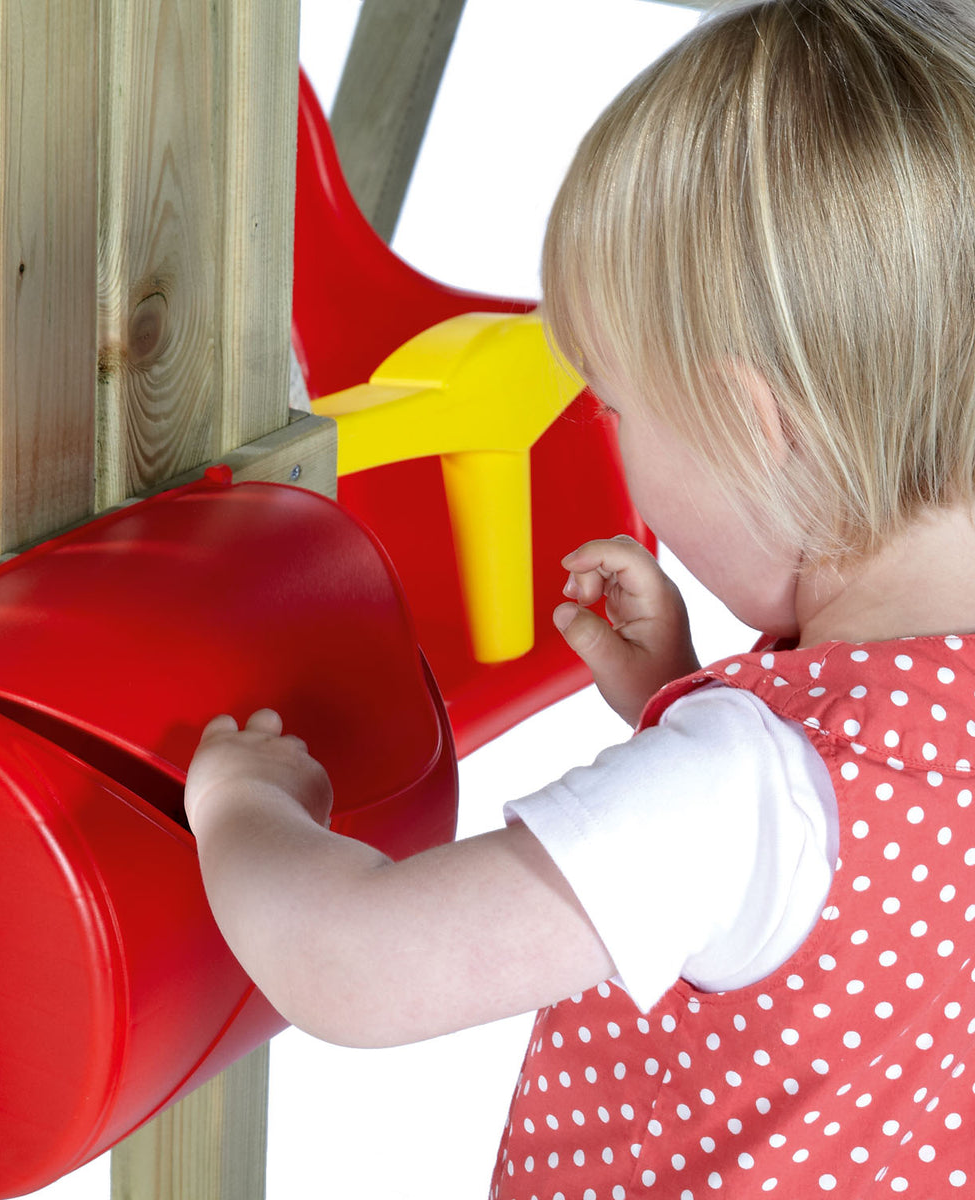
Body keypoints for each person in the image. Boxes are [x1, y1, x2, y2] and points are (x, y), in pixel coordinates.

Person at [185, 0, 975, 1193]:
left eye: (614, 405)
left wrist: (245, 810)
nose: (612, 439)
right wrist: (683, 694)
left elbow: (359, 964)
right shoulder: (830, 757)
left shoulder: (738, 790)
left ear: (757, 425)